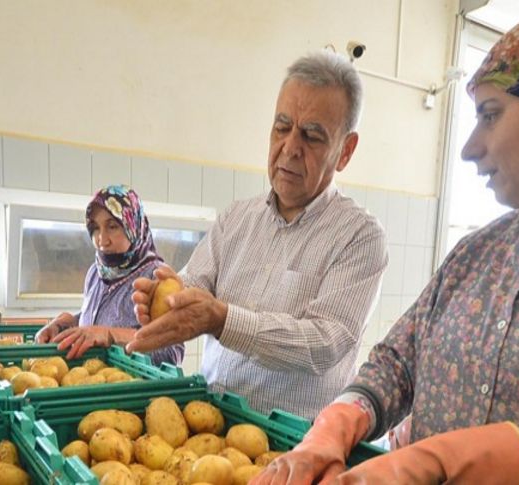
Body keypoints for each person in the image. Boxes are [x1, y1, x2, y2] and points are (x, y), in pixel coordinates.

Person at [254, 1, 519, 483]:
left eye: (490, 115)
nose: (468, 148)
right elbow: (398, 360)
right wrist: (339, 422)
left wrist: (441, 461)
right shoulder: (479, 252)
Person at [127, 50, 388, 419]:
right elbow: (193, 285)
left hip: (295, 449)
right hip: (207, 426)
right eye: (282, 127)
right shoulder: (236, 219)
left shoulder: (359, 238)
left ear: (345, 151)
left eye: (312, 136)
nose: (290, 148)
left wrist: (222, 320)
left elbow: (323, 343)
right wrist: (167, 299)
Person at [35, 184, 184, 365]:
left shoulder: (156, 277)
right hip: (94, 383)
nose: (102, 240)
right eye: (95, 228)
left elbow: (171, 352)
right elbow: (100, 323)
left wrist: (111, 335)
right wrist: (67, 324)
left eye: (112, 226)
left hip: (133, 389)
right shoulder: (96, 273)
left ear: (133, 225)